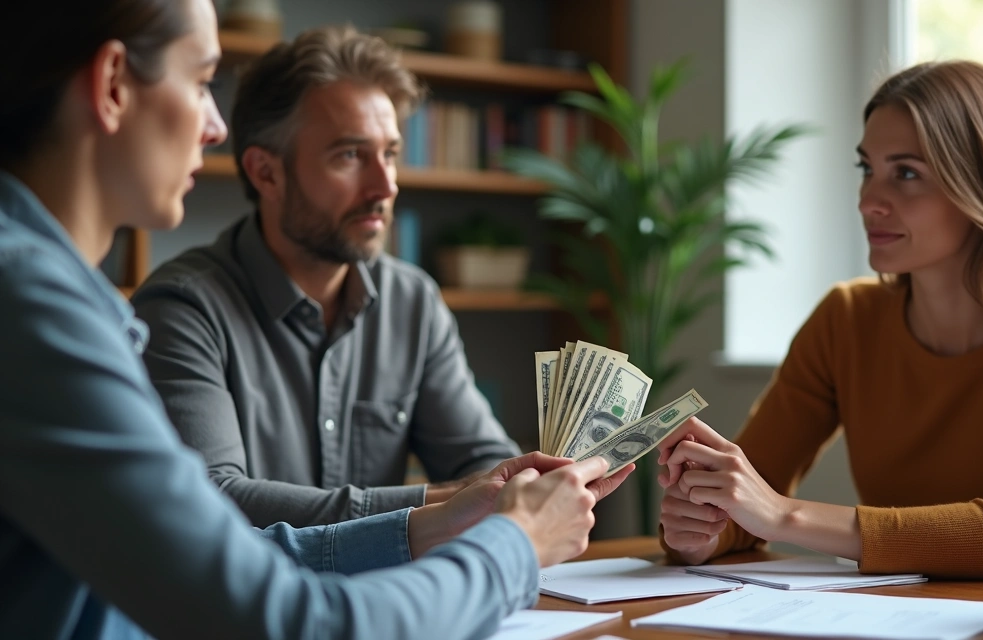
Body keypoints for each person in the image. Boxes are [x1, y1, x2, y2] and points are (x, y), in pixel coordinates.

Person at [0, 1, 632, 637]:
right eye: (199, 82)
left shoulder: (68, 302)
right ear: (112, 85)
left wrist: (442, 519)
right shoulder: (45, 308)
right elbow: (282, 607)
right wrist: (509, 545)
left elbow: (231, 561)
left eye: (392, 152)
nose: (215, 125)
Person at [656, 60, 983, 580]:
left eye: (906, 174)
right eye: (868, 169)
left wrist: (782, 516)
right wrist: (700, 532)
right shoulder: (845, 320)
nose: (869, 201)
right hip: (897, 616)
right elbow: (746, 506)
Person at [131, 25, 521, 527]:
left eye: (390, 154)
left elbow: (481, 461)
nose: (384, 186)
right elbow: (212, 502)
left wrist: (514, 483)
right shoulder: (182, 309)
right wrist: (436, 505)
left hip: (391, 600)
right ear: (265, 173)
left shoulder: (411, 301)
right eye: (350, 156)